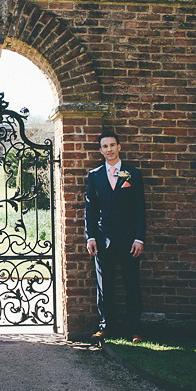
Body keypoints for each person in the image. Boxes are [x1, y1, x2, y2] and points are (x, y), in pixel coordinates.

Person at [84, 130, 146, 343]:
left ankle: (134, 329)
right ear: (100, 150)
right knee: (105, 285)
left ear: (119, 147)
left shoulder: (132, 174)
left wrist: (139, 238)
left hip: (129, 241)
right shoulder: (95, 176)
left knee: (131, 284)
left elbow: (140, 209)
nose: (109, 149)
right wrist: (90, 237)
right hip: (102, 241)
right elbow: (90, 210)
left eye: (112, 145)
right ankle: (106, 326)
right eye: (105, 146)